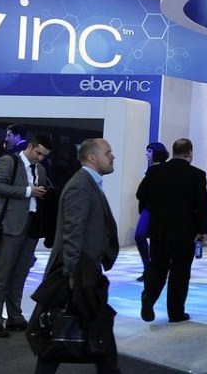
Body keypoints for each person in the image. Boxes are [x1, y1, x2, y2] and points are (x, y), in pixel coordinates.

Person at [33, 138, 122, 374]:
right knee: (69, 326)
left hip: (84, 269)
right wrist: (73, 275)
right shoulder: (81, 186)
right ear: (92, 157)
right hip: (77, 271)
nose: (112, 156)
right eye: (108, 152)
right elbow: (72, 232)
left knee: (94, 324)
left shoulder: (88, 183)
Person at [137, 138, 207, 323]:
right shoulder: (197, 175)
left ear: (174, 151)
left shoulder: (155, 172)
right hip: (185, 232)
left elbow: (141, 194)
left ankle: (149, 297)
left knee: (157, 267)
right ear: (190, 152)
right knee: (180, 272)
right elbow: (201, 206)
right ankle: (175, 313)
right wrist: (203, 231)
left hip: (159, 229)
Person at [0, 134, 53, 338]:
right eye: (39, 153)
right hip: (10, 226)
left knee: (20, 275)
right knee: (2, 275)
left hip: (31, 228)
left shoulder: (40, 169)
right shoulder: (8, 161)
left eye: (44, 156)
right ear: (31, 147)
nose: (40, 158)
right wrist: (28, 191)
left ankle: (15, 317)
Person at [134, 142, 168, 282]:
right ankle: (149, 267)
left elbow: (141, 193)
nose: (147, 154)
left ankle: (150, 268)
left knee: (144, 236)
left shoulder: (155, 171)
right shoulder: (152, 170)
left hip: (154, 209)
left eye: (149, 151)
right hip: (150, 208)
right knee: (141, 236)